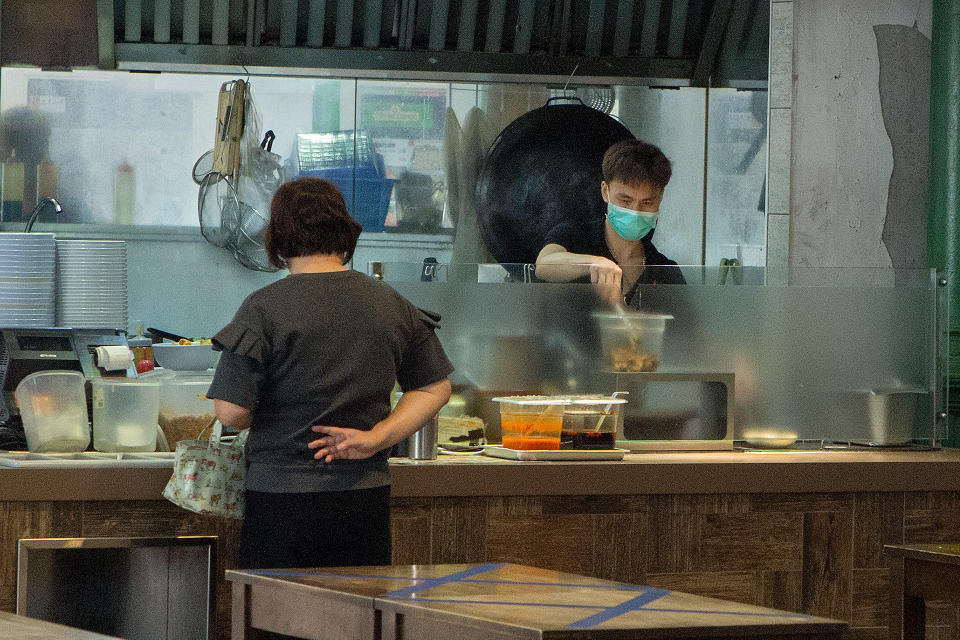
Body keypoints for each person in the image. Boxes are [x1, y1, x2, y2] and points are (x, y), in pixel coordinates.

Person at [207, 177, 453, 575]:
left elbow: (231, 412)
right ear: (343, 232)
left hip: (281, 499)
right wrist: (377, 438)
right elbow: (434, 387)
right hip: (363, 499)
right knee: (355, 618)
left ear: (278, 237)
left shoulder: (262, 308)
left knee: (279, 621)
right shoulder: (389, 302)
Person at [534, 139, 685, 307]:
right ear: (605, 191)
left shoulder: (666, 271)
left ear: (660, 198)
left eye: (647, 203)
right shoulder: (573, 235)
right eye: (625, 201)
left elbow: (685, 329)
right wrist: (592, 263)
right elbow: (544, 264)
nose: (635, 212)